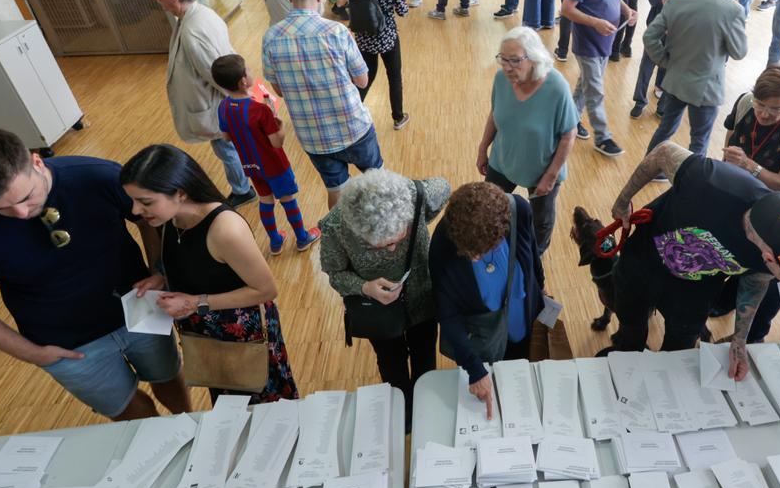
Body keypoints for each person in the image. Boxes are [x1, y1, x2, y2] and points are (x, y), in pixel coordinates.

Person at [0, 130, 190, 421]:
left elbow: (149, 219)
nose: (22, 212)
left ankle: (190, 423)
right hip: (63, 342)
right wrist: (30, 353)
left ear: (37, 162)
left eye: (27, 196)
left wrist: (159, 270)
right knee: (130, 413)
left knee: (168, 377)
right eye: (0, 208)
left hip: (140, 306)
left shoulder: (97, 176)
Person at [603, 140, 780, 365]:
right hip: (642, 262)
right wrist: (622, 202)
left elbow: (755, 282)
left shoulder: (777, 252)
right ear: (769, 259)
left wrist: (739, 339)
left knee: (680, 350)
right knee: (631, 329)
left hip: (695, 289)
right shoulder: (712, 182)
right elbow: (664, 152)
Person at [122, 145, 297, 404]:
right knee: (229, 403)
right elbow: (195, 261)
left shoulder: (225, 230)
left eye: (146, 202)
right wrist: (162, 276)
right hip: (206, 333)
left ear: (180, 193)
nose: (135, 211)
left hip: (244, 337)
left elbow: (266, 290)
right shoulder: (169, 220)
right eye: (133, 201)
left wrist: (195, 302)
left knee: (261, 404)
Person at [319, 169, 450, 422]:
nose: (392, 249)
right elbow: (334, 273)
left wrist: (421, 212)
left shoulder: (416, 196)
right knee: (391, 362)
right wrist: (364, 287)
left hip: (422, 298)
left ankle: (424, 409)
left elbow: (444, 186)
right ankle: (402, 412)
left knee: (425, 354)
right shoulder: (336, 226)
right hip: (378, 313)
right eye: (378, 246)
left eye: (399, 240)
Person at [262, 0, 380, 208]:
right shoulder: (337, 32)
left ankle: (341, 238)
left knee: (336, 188)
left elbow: (279, 89)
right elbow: (362, 81)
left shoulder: (271, 37)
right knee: (377, 182)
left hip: (314, 137)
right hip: (354, 128)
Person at [430, 182, 546, 417]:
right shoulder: (444, 241)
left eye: (479, 252)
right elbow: (447, 312)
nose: (472, 259)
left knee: (517, 366)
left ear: (501, 230)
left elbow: (532, 252)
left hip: (521, 317)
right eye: (466, 252)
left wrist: (540, 285)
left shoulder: (519, 210)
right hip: (483, 333)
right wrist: (475, 370)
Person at [148, 0, 254, 207]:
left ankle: (243, 189)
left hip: (216, 108)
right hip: (215, 106)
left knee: (227, 149)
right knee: (228, 148)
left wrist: (241, 107)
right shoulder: (200, 13)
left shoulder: (193, 31)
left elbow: (218, 75)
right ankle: (244, 185)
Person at [642, 0, 747, 158]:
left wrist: (665, 62)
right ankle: (689, 183)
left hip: (675, 78)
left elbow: (650, 36)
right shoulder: (733, 9)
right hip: (708, 87)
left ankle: (648, 168)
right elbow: (739, 52)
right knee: (699, 140)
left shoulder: (676, 0)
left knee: (665, 130)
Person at [476, 28, 578, 254]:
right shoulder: (501, 78)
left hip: (542, 168)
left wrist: (550, 176)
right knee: (490, 207)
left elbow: (568, 134)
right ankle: (495, 246)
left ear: (533, 58)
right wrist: (483, 147)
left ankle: (536, 253)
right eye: (503, 59)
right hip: (503, 159)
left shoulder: (556, 87)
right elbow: (495, 113)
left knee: (540, 219)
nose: (507, 67)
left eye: (514, 60)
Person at [210, 53, 320, 257]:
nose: (252, 72)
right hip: (275, 165)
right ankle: (302, 237)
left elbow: (226, 137)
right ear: (244, 81)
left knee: (266, 201)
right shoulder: (260, 109)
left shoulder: (223, 106)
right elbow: (276, 142)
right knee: (288, 200)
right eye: (248, 70)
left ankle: (275, 241)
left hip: (251, 166)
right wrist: (280, 124)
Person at [562, 0, 636, 157]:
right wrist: (595, 22)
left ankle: (568, 120)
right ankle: (603, 138)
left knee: (585, 85)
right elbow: (567, 9)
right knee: (595, 89)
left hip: (606, 40)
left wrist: (627, 11)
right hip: (587, 43)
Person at [346, 0, 411, 130]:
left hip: (363, 36)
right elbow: (402, 10)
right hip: (387, 36)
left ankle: (352, 113)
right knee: (394, 76)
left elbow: (352, 1)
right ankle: (398, 117)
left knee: (365, 77)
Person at [722, 66, 780, 191]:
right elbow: (731, 133)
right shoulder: (745, 101)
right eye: (760, 104)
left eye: (776, 109)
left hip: (767, 194)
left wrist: (749, 165)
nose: (764, 115)